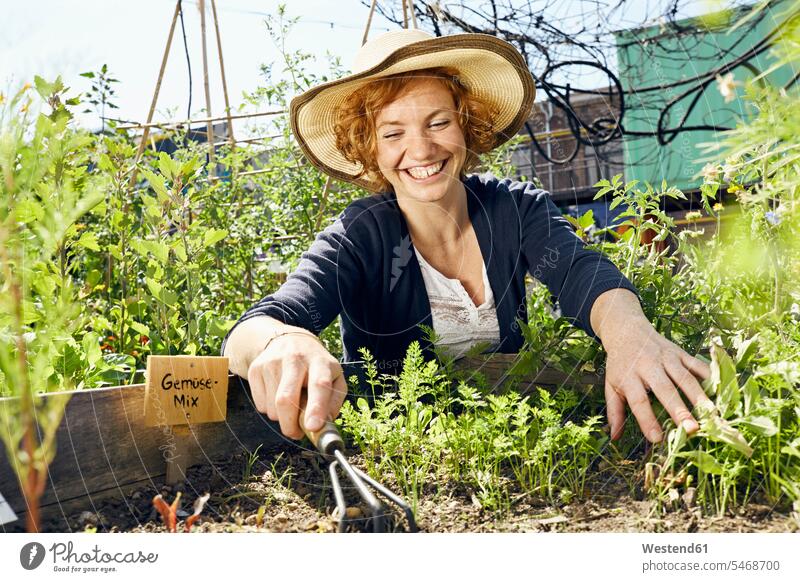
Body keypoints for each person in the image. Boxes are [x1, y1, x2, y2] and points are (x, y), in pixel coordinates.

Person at [222, 29, 711, 444]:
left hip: (515, 444)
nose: (421, 148)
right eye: (393, 133)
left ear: (466, 125)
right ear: (368, 145)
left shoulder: (512, 210)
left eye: (438, 122)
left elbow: (580, 272)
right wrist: (283, 341)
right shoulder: (360, 235)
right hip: (399, 453)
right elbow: (256, 327)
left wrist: (629, 333)